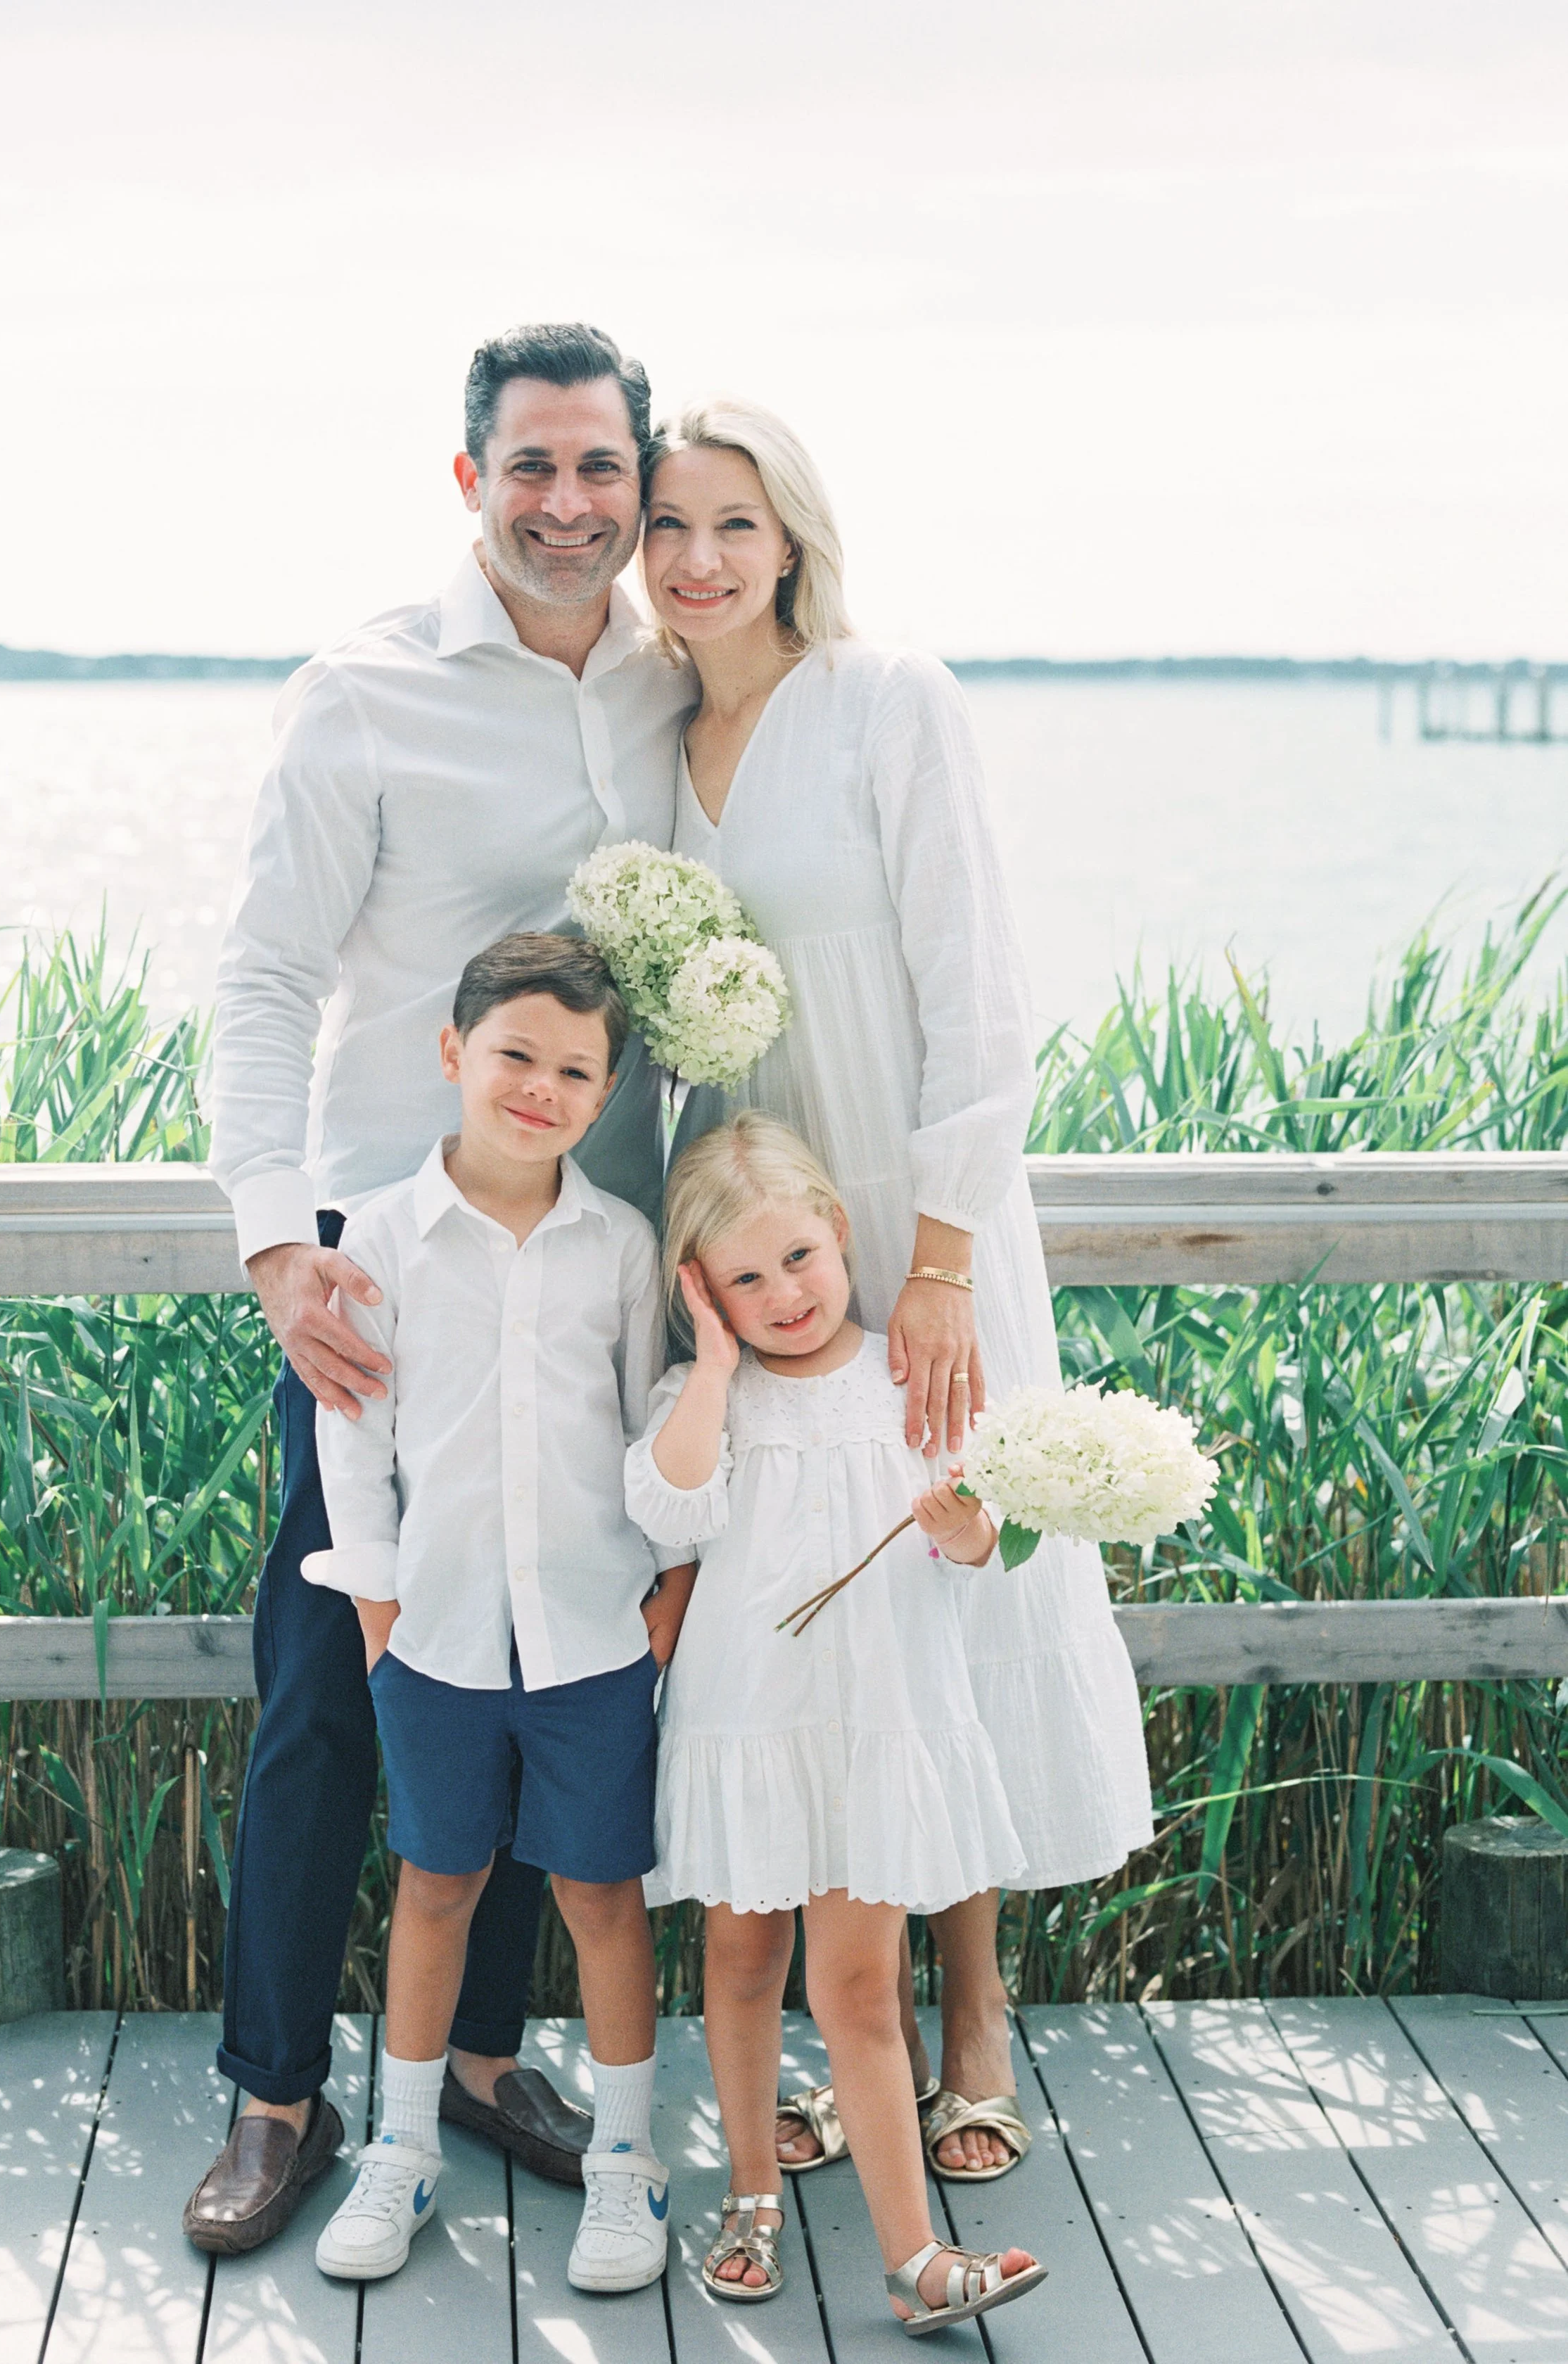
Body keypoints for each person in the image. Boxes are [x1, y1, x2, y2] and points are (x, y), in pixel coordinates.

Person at [185, 322, 696, 2256]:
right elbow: (259, 980)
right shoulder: (366, 693)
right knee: (335, 1684)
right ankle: (276, 2098)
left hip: (594, 1276)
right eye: (532, 467)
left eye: (600, 470)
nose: (570, 506)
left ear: (639, 483)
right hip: (379, 1262)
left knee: (549, 1661)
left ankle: (480, 2071)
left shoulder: (678, 684)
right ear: (467, 480)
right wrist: (271, 1241)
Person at [646, 398, 1153, 2185]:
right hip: (765, 1226)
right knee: (789, 1593)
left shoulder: (886, 699)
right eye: (666, 528)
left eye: (731, 522)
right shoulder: (652, 733)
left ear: (790, 535)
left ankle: (971, 2022)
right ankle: (793, 2037)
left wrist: (936, 1256)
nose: (695, 560)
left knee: (950, 1584)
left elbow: (976, 984)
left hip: (915, 1220)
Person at [300, 935, 689, 2289]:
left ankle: (627, 2166)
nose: (541, 1087)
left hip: (593, 1628)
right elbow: (355, 1431)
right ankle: (400, 2152)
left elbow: (651, 1428)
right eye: (516, 1054)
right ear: (454, 1052)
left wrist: (673, 1586)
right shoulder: (378, 1236)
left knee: (601, 1891)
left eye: (576, 1069)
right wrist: (382, 1600)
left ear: (608, 1090)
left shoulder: (622, 1245)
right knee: (436, 1882)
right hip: (438, 1630)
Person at [626, 1112, 1045, 2334]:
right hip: (748, 1727)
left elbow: (984, 1540)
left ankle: (915, 2255)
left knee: (859, 1989)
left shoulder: (908, 1376)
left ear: (842, 1232)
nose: (784, 1294)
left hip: (877, 1723)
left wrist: (968, 1525)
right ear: (705, 1294)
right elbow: (668, 1500)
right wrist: (710, 1363)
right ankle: (752, 2190)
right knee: (744, 1962)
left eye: (799, 1258)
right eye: (745, 1280)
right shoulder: (708, 1397)